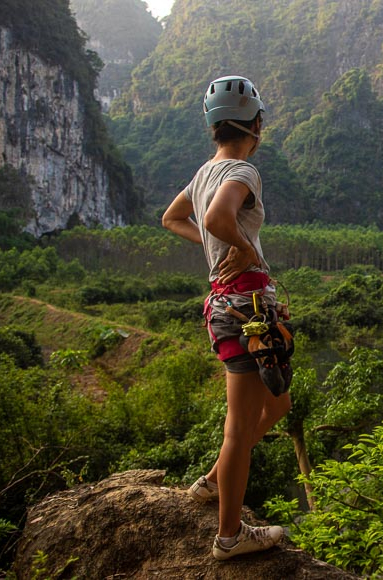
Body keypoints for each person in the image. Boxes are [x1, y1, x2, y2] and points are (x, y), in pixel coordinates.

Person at [162, 75, 292, 560]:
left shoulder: (202, 174)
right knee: (239, 427)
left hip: (230, 302)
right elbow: (217, 219)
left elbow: (173, 218)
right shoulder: (242, 171)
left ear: (213, 127)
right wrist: (240, 248)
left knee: (276, 405)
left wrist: (220, 249)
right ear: (256, 125)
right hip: (247, 307)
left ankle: (213, 481)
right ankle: (231, 537)